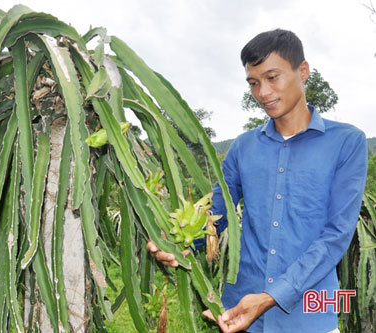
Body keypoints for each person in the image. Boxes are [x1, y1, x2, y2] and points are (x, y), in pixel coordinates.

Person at [147, 29, 367, 333]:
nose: (262, 92)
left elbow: (337, 235)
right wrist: (180, 243)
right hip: (239, 311)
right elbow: (217, 214)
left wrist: (269, 297)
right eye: (253, 82)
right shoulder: (242, 147)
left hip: (311, 314)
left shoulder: (347, 142)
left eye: (272, 77)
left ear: (302, 71)